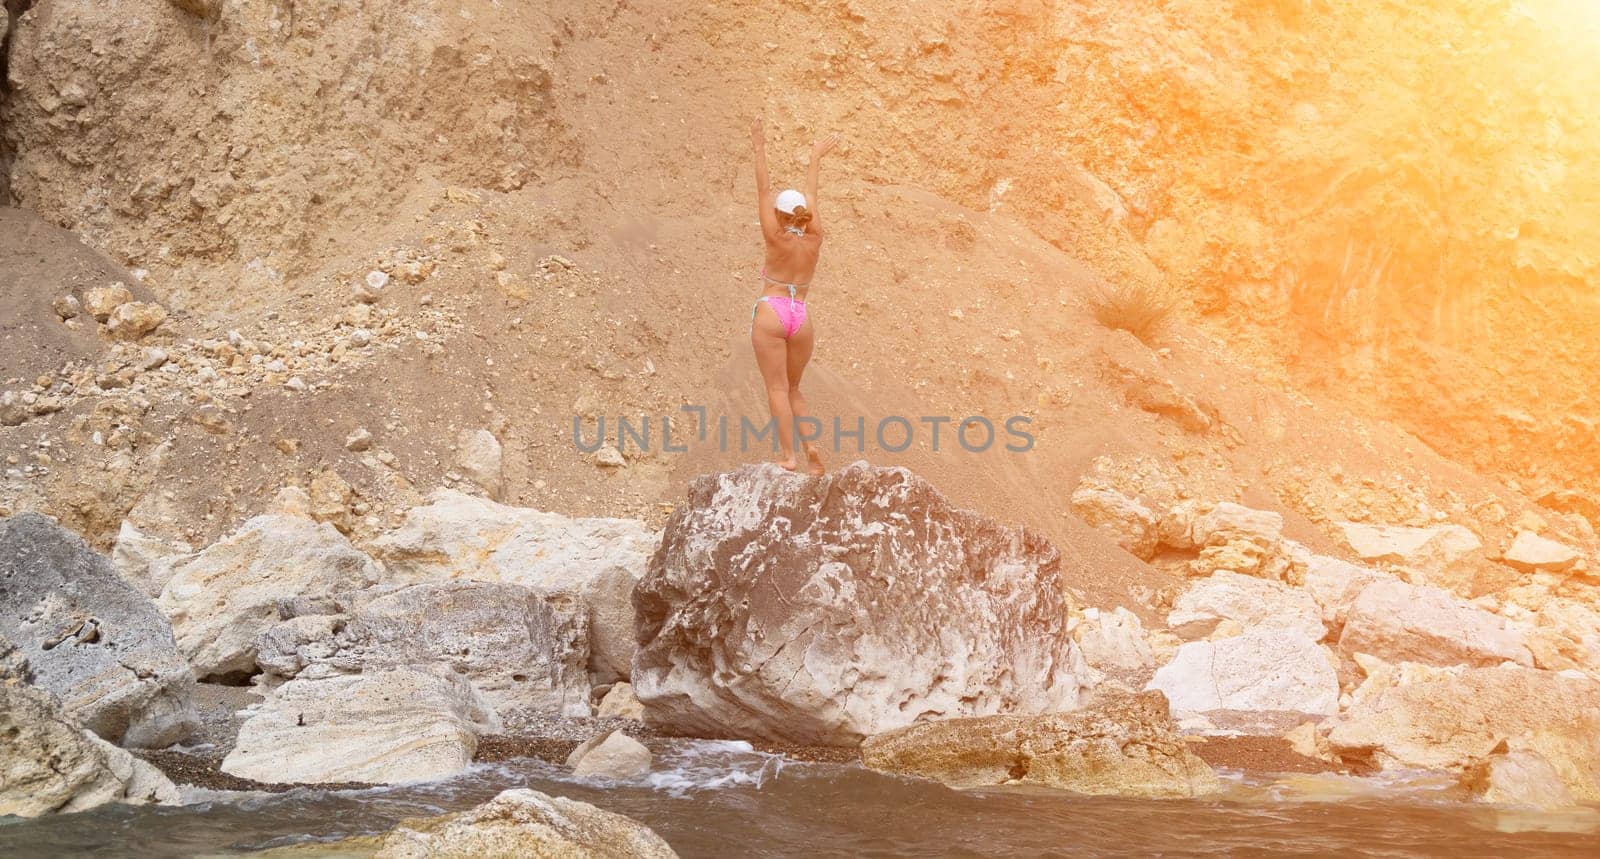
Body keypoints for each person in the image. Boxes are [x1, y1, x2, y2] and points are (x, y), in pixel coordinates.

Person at [749, 117, 838, 474]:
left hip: (772, 311)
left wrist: (759, 146)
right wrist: (815, 159)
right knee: (795, 389)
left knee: (776, 389)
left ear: (779, 215)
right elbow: (812, 198)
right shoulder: (815, 239)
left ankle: (789, 457)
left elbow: (763, 189)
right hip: (801, 315)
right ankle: (813, 452)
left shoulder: (775, 237)